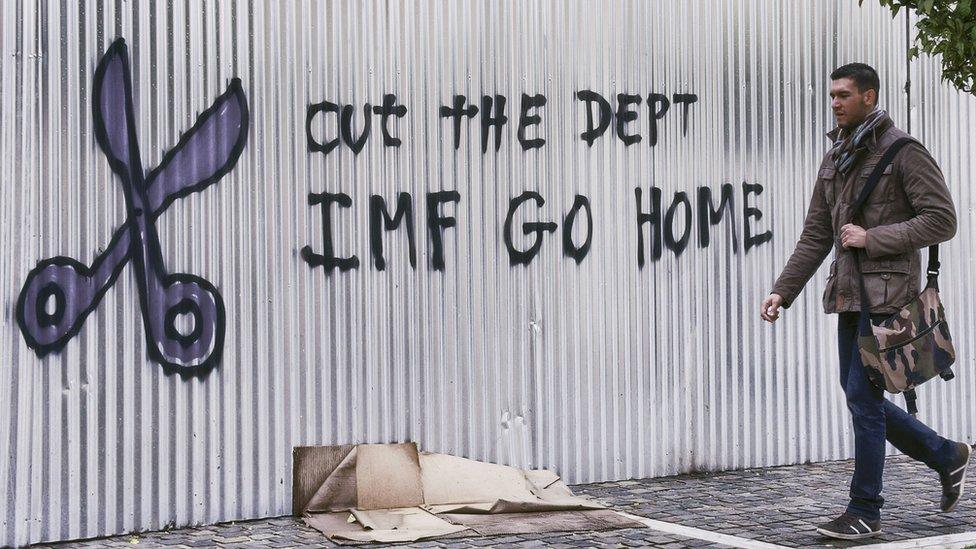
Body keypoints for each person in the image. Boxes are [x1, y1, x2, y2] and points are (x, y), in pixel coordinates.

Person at [760, 63, 972, 540]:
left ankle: (865, 510)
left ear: (870, 97)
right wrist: (782, 290)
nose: (835, 102)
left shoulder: (903, 151)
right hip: (849, 295)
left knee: (862, 397)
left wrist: (872, 236)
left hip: (888, 297)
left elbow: (942, 219)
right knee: (862, 396)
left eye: (844, 95)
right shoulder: (836, 157)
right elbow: (817, 234)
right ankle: (945, 454)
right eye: (832, 94)